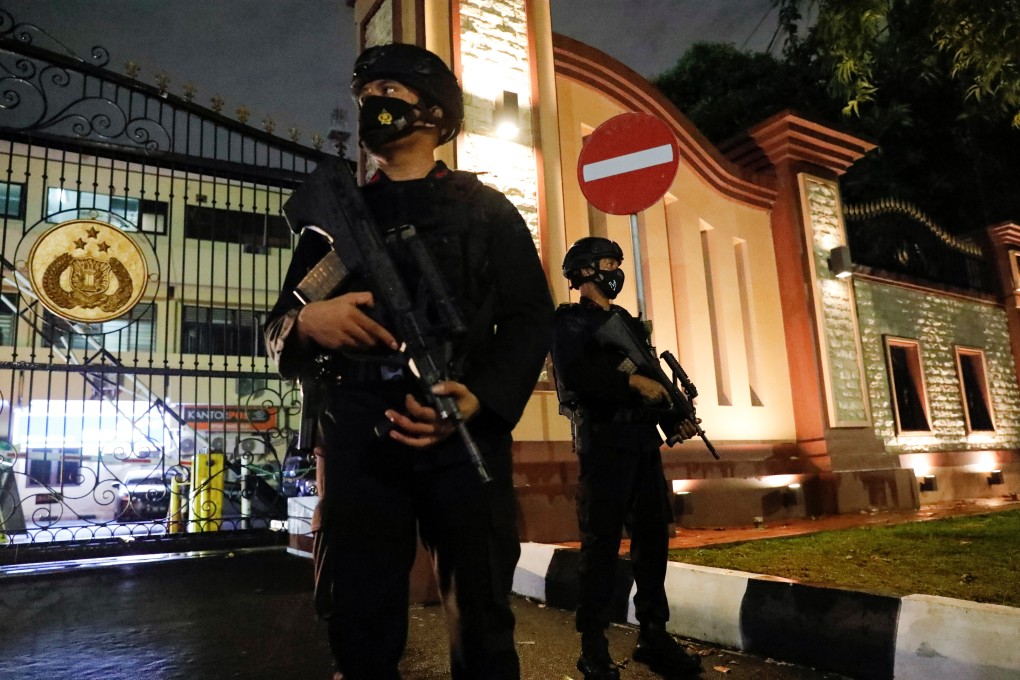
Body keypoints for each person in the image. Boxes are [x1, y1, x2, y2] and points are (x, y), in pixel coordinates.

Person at [264, 43, 554, 680]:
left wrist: (479, 397)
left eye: (390, 94)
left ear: (433, 111)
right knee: (360, 623)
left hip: (461, 432)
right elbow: (277, 328)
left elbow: (532, 316)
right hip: (360, 439)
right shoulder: (334, 220)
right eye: (366, 97)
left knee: (481, 620)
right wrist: (310, 320)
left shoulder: (485, 210)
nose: (374, 106)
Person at [551, 237, 703, 679]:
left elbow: (652, 375)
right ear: (584, 271)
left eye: (618, 262)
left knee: (653, 541)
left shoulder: (627, 323)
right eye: (607, 262)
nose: (616, 269)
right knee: (600, 545)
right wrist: (632, 385)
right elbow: (575, 374)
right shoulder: (570, 322)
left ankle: (653, 634)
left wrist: (673, 418)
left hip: (641, 443)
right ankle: (593, 646)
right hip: (603, 445)